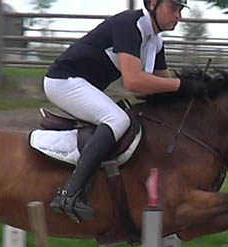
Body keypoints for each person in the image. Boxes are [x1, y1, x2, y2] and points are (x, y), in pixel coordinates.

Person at [44, 0, 206, 222]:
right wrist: (183, 85)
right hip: (63, 81)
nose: (179, 16)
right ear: (152, 4)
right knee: (117, 119)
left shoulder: (155, 42)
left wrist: (198, 93)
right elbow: (134, 82)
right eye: (173, 8)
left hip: (83, 84)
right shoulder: (130, 24)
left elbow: (162, 88)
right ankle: (69, 194)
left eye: (180, 10)